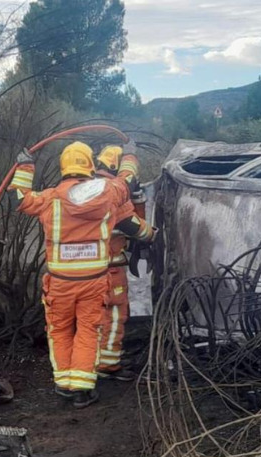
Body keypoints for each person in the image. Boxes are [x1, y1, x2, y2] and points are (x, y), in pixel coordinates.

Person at [11, 141, 155, 408]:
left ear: (64, 166)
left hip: (59, 283)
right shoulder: (110, 193)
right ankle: (82, 389)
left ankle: (63, 383)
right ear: (90, 165)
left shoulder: (50, 198)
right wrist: (131, 154)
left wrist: (25, 165)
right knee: (89, 331)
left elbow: (19, 199)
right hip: (94, 282)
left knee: (60, 330)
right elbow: (129, 180)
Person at [94, 144, 148, 380]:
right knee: (114, 316)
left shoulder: (79, 190)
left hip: (82, 273)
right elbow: (135, 228)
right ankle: (107, 364)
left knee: (90, 317)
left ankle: (89, 362)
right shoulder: (114, 194)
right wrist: (152, 234)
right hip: (110, 269)